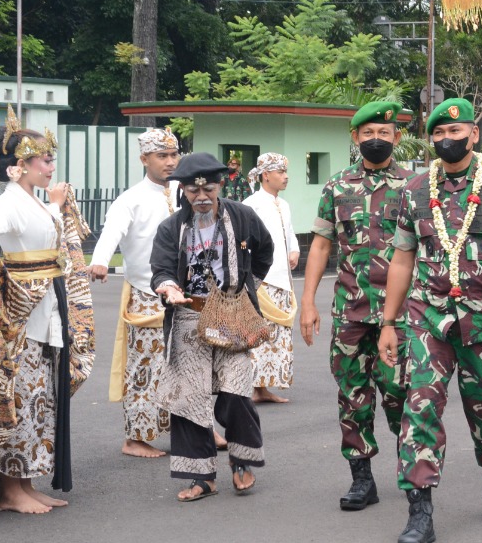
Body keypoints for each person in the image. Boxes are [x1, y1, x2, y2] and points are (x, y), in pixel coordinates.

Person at [378, 98, 482, 543]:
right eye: (438, 134)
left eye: (455, 132)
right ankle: (419, 511)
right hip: (428, 314)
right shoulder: (415, 189)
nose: (447, 139)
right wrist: (389, 321)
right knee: (419, 407)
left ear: (474, 134)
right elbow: (403, 258)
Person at [0, 111, 96, 517]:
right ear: (19, 167)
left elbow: (54, 237)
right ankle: (11, 489)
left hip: (48, 310)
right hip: (23, 316)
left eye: (50, 160)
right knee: (21, 400)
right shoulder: (9, 202)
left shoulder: (34, 201)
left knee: (39, 402)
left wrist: (56, 206)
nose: (51, 167)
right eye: (44, 160)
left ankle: (26, 482)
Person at [300, 100, 413, 512]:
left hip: (397, 315)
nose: (377, 140)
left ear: (396, 138)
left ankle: (412, 474)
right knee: (352, 396)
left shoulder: (414, 187)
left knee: (401, 393)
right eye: (368, 133)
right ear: (355, 138)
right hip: (349, 311)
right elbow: (322, 246)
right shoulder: (337, 187)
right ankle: (361, 479)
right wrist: (307, 301)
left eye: (384, 133)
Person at [151, 153, 274, 502]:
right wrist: (168, 287)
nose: (202, 196)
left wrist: (250, 286)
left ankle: (241, 460)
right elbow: (159, 268)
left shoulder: (243, 216)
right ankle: (200, 477)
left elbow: (265, 251)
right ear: (184, 191)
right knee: (188, 399)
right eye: (193, 191)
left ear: (220, 186)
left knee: (236, 392)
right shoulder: (172, 228)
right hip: (190, 315)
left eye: (208, 189)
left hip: (234, 314)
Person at [89, 128, 181, 458]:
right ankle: (135, 438)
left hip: (184, 295)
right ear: (145, 159)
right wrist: (100, 260)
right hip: (146, 294)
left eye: (173, 155)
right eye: (162, 156)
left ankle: (194, 429)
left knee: (187, 365)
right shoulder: (131, 199)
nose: (170, 162)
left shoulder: (185, 193)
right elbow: (112, 230)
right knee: (145, 368)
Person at [244, 152, 301, 403]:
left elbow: (289, 232)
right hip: (262, 281)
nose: (285, 177)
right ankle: (253, 387)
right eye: (280, 172)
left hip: (283, 279)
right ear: (266, 175)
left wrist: (295, 249)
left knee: (278, 336)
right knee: (261, 334)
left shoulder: (283, 204)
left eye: (285, 172)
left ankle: (265, 387)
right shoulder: (251, 204)